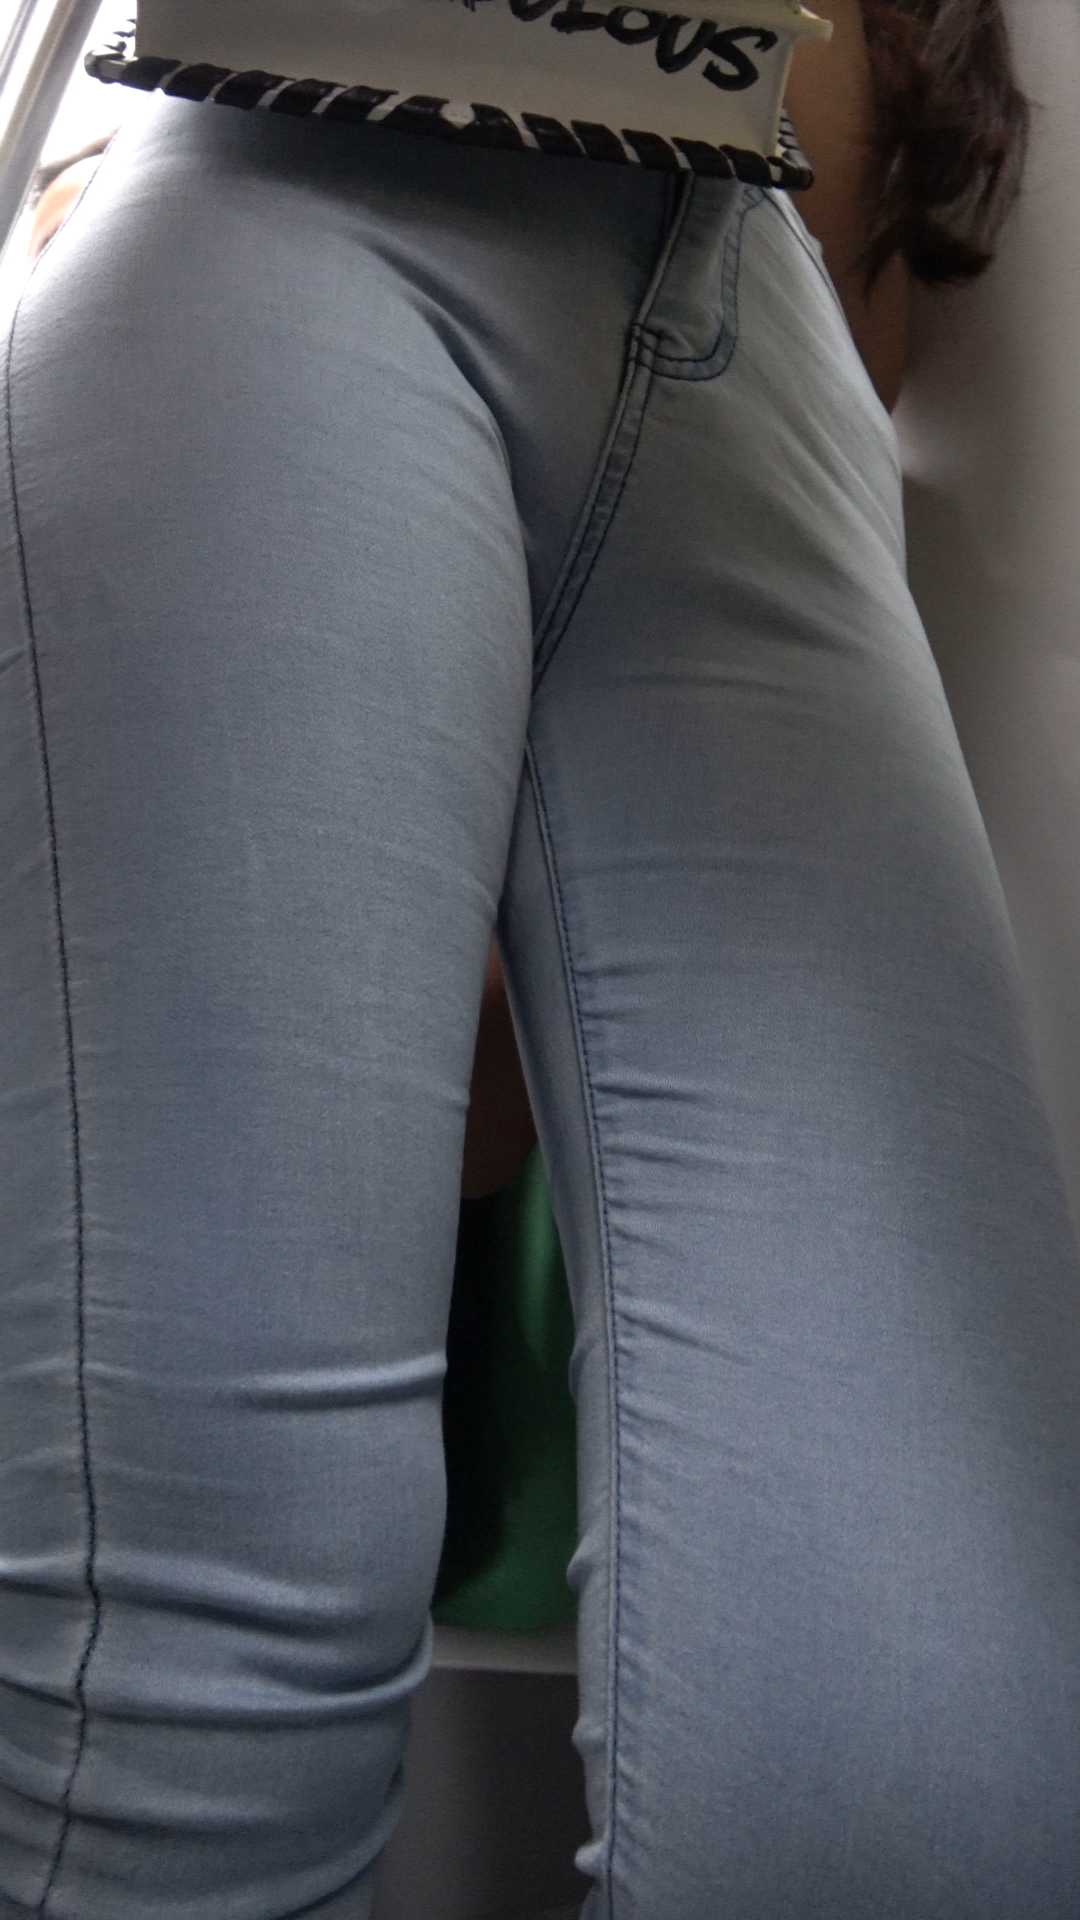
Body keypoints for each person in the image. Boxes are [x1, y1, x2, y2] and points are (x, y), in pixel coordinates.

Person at [2, 4, 1078, 1918]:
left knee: (930, 1797)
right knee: (193, 1690)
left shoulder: (895, 104)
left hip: (741, 320)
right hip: (281, 183)